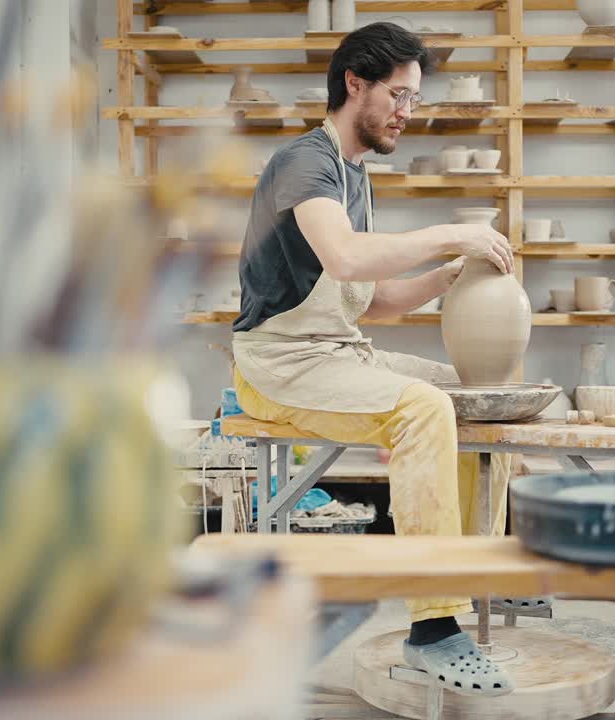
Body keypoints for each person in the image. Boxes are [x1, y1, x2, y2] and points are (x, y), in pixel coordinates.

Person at [230, 22, 517, 697]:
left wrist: (450, 274)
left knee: (477, 392)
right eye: (399, 95)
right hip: (280, 367)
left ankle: (475, 569)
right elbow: (347, 258)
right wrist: (453, 229)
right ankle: (433, 626)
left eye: (414, 100)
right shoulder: (306, 163)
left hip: (336, 350)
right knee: (423, 410)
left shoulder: (353, 174)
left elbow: (370, 300)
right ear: (354, 83)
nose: (406, 113)